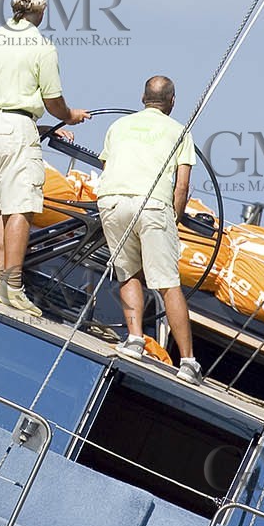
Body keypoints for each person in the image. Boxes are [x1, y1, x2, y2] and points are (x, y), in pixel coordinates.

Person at [0, 0, 88, 317]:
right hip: (16, 127)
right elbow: (53, 101)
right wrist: (71, 116)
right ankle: (13, 286)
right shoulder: (42, 46)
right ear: (42, 10)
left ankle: (0, 281)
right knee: (20, 206)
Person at [97, 76, 201, 384]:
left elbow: (107, 168)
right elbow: (182, 186)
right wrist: (174, 219)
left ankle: (134, 340)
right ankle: (188, 363)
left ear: (143, 98)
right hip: (153, 205)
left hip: (113, 200)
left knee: (128, 273)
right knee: (168, 283)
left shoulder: (119, 126)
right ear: (172, 101)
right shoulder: (180, 132)